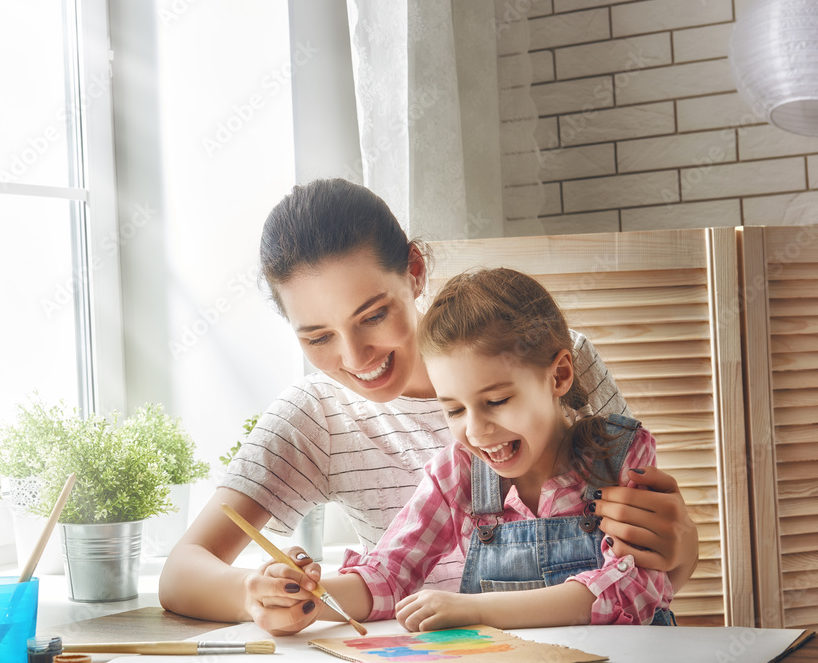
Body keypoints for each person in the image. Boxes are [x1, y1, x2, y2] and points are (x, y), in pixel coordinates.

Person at [159, 178, 698, 632]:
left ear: (414, 271)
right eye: (318, 336)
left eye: (372, 315)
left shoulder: (559, 358)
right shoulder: (322, 416)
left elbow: (654, 570)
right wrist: (268, 596)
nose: (356, 356)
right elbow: (182, 573)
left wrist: (680, 545)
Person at [288, 267, 674, 632]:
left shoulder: (621, 455)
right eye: (454, 409)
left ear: (559, 375)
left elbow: (629, 588)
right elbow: (388, 574)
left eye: (496, 401)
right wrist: (305, 597)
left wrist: (474, 609)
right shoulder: (459, 471)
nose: (475, 431)